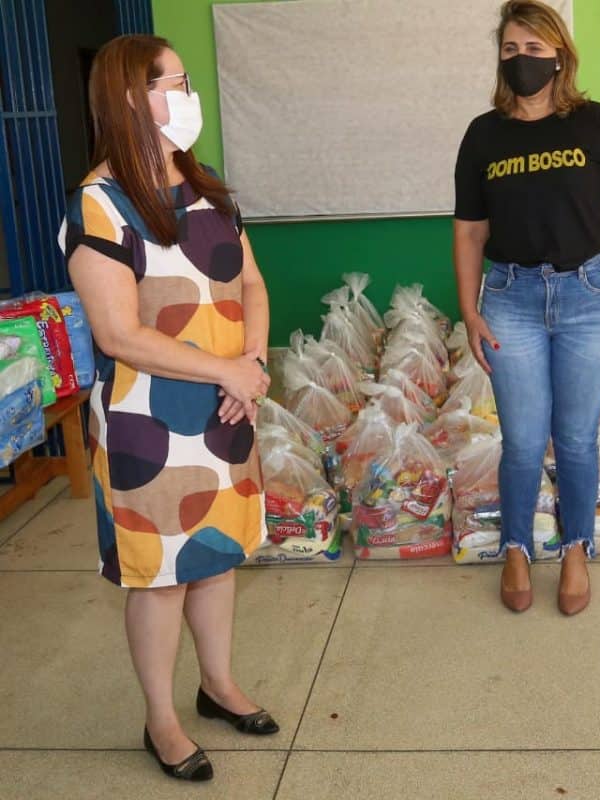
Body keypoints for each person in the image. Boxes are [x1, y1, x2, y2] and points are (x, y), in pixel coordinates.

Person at [59, 35, 277, 782]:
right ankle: (161, 721)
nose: (190, 97)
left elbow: (251, 284)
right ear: (131, 97)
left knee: (215, 557)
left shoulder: (203, 183)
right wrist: (228, 370)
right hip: (147, 423)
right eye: (175, 84)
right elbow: (119, 334)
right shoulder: (99, 205)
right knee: (161, 575)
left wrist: (251, 365)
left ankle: (218, 686)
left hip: (227, 407)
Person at [453, 0, 600, 616]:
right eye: (511, 50)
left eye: (534, 49)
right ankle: (516, 547)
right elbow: (469, 233)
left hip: (592, 296)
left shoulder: (596, 124)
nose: (523, 60)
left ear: (560, 55)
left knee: (576, 439)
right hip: (510, 300)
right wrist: (469, 312)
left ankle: (575, 548)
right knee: (521, 440)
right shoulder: (483, 135)